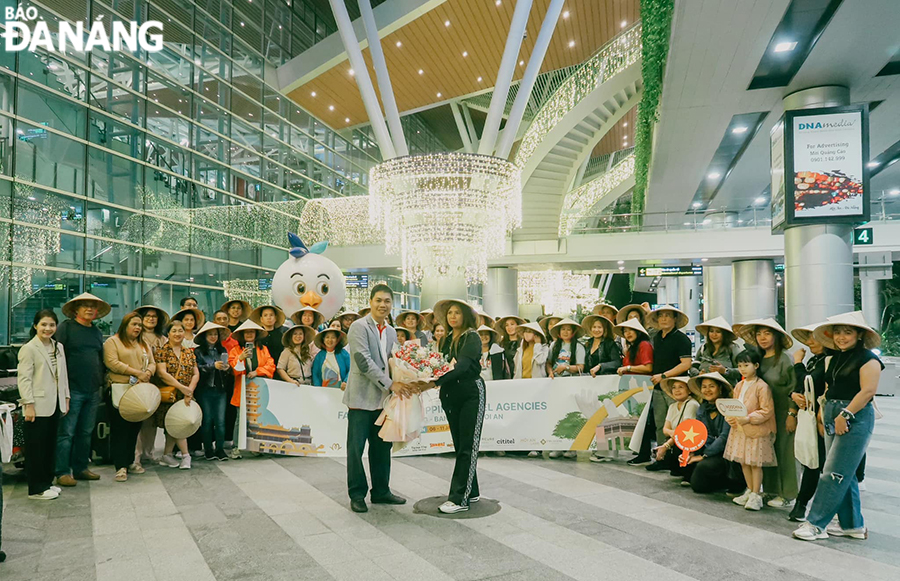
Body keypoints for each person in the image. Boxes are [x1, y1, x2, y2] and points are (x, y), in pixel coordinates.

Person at [792, 312, 884, 541]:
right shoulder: (835, 358)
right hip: (833, 412)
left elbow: (868, 392)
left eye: (848, 332)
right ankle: (853, 525)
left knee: (832, 472)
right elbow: (828, 389)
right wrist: (824, 414)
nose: (842, 337)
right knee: (844, 472)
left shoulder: (869, 359)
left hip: (854, 416)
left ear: (859, 335)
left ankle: (815, 523)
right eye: (838, 332)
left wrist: (845, 414)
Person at [344, 284, 407, 513]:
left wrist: (413, 376)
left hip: (383, 401)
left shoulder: (391, 331)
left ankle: (381, 491)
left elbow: (395, 361)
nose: (383, 305)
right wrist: (391, 383)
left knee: (382, 448)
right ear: (370, 302)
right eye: (379, 300)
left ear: (392, 305)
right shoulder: (358, 327)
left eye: (387, 301)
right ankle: (357, 494)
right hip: (360, 398)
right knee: (356, 449)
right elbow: (363, 362)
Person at [421, 299, 485, 513]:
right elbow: (441, 365)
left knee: (468, 445)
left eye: (457, 312)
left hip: (470, 393)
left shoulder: (472, 337)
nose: (452, 316)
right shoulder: (447, 339)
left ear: (465, 315)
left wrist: (433, 382)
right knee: (460, 444)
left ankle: (459, 499)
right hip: (450, 394)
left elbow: (463, 366)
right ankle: (471, 490)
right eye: (449, 313)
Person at [736, 318, 798, 508]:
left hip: (782, 410)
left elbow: (794, 387)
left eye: (767, 333)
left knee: (785, 451)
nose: (762, 338)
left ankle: (787, 494)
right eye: (759, 333)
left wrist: (792, 413)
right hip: (762, 414)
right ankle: (770, 490)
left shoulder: (785, 359)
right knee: (767, 452)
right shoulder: (759, 358)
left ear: (776, 336)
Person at [55, 292, 109, 487]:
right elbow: (56, 356)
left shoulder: (96, 332)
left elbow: (100, 357)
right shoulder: (65, 328)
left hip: (93, 390)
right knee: (66, 432)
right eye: (85, 305)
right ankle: (62, 471)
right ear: (75, 310)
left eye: (92, 306)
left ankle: (80, 468)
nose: (89, 309)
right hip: (72, 390)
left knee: (86, 432)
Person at [18, 310, 70, 499]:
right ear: (35, 326)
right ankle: (36, 488)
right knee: (36, 448)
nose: (48, 328)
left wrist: (66, 397)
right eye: (44, 325)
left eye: (52, 325)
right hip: (37, 405)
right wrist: (28, 404)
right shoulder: (29, 348)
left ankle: (47, 482)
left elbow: (62, 375)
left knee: (49, 446)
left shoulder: (58, 347)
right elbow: (24, 379)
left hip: (55, 403)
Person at [633, 306, 693, 468]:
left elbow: (686, 363)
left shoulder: (682, 339)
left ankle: (679, 458)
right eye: (661, 316)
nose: (664, 319)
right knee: (661, 424)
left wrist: (665, 375)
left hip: (677, 387)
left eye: (668, 316)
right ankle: (662, 457)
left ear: (675, 319)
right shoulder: (657, 337)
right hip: (658, 387)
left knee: (679, 423)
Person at [104, 312, 156, 482]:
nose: (137, 328)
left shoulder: (143, 343)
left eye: (139, 325)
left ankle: (130, 461)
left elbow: (153, 362)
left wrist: (148, 372)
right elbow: (112, 362)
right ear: (125, 325)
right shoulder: (113, 341)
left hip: (139, 390)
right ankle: (120, 466)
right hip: (119, 388)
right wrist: (137, 372)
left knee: (134, 428)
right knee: (120, 430)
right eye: (134, 324)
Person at [724, 348, 777, 511]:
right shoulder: (739, 385)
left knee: (755, 464)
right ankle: (749, 490)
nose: (742, 369)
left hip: (756, 430)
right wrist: (730, 418)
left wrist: (749, 418)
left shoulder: (762, 386)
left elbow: (767, 410)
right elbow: (733, 405)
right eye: (740, 365)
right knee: (743, 462)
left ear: (756, 365)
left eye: (746, 365)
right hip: (739, 430)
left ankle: (756, 494)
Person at [788, 323, 829, 522]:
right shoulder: (815, 360)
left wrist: (797, 363)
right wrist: (794, 396)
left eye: (813, 337)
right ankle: (801, 505)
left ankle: (804, 505)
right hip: (811, 417)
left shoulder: (829, 361)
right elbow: (800, 386)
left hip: (826, 418)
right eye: (807, 338)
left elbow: (810, 381)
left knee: (822, 464)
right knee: (812, 460)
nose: (809, 342)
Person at [683, 372, 744, 494]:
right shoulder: (702, 408)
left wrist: (704, 455)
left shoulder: (729, 407)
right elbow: (698, 432)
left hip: (727, 453)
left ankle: (733, 482)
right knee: (684, 461)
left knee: (700, 475)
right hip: (709, 448)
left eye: (712, 386)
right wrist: (691, 452)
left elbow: (724, 437)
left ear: (720, 388)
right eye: (704, 386)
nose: (707, 390)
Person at [154, 320, 199, 469]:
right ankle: (186, 455)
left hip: (186, 395)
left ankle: (166, 455)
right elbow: (162, 373)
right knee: (177, 424)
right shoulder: (162, 351)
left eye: (180, 331)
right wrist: (182, 388)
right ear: (168, 333)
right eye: (174, 331)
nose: (178, 334)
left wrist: (189, 390)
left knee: (175, 426)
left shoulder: (188, 352)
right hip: (171, 394)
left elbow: (195, 373)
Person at [228, 319, 276, 458]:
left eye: (251, 332)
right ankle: (237, 447)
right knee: (240, 419)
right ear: (242, 335)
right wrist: (241, 358)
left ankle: (256, 446)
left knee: (258, 417)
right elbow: (234, 369)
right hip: (242, 389)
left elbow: (270, 365)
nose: (249, 334)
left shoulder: (263, 349)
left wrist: (257, 371)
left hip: (259, 388)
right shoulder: (236, 350)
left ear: (256, 334)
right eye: (246, 332)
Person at [193, 321, 233, 461]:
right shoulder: (198, 351)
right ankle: (208, 449)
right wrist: (213, 366)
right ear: (204, 336)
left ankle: (220, 449)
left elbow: (228, 370)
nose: (213, 337)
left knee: (221, 421)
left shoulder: (223, 351)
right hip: (205, 390)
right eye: (210, 334)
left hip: (221, 390)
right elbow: (197, 368)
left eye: (215, 334)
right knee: (207, 420)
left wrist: (227, 368)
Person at [649, 376, 699, 473]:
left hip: (688, 444)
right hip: (676, 441)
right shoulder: (673, 406)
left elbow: (685, 432)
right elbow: (665, 430)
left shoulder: (691, 404)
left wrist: (666, 445)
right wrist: (674, 433)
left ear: (689, 390)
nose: (677, 390)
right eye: (674, 387)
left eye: (681, 387)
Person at [694, 316, 741, 385]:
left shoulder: (733, 348)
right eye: (711, 331)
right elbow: (693, 366)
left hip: (727, 390)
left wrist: (725, 371)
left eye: (718, 332)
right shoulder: (703, 348)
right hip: (705, 389)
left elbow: (742, 370)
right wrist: (698, 373)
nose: (714, 334)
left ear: (724, 334)